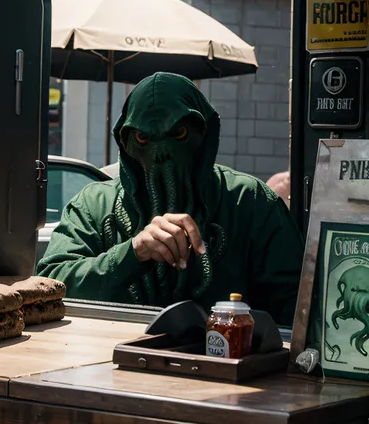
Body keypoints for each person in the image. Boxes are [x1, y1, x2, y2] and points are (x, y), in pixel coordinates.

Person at [38, 73, 303, 325]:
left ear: (205, 132)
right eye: (143, 138)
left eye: (178, 134)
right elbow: (48, 287)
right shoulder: (93, 205)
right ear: (126, 140)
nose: (162, 154)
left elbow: (295, 309)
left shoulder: (250, 202)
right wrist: (131, 254)